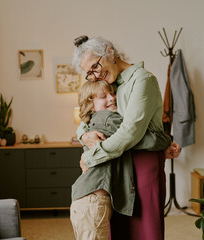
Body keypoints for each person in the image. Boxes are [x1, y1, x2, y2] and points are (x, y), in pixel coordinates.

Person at [72, 35, 181, 240]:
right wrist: (84, 135)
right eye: (89, 73)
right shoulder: (111, 83)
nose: (95, 74)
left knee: (147, 231)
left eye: (95, 66)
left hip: (143, 165)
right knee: (120, 230)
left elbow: (130, 132)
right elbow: (89, 119)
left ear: (110, 53)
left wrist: (91, 157)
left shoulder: (142, 80)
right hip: (119, 166)